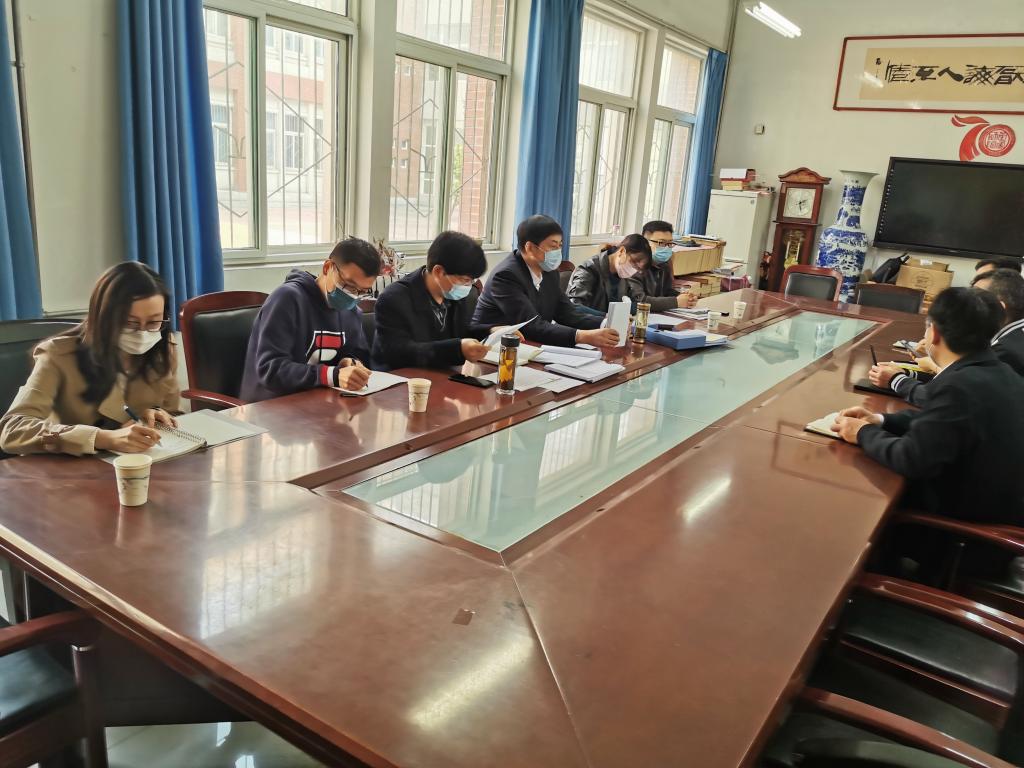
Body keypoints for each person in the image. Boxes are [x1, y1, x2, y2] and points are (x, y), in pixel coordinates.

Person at [832, 287, 1024, 524]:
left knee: (856, 491)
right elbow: (945, 423)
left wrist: (863, 432)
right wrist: (881, 420)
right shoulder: (1001, 372)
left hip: (962, 523)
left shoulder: (958, 385)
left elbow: (910, 459)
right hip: (997, 504)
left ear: (934, 333)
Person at [0, 262, 178, 456]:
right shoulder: (58, 356)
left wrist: (154, 415)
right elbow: (12, 430)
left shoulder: (161, 350)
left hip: (137, 462)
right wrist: (102, 438)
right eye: (130, 322)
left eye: (153, 322)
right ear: (103, 317)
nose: (142, 333)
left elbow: (173, 413)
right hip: (67, 467)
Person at [240, 237, 380, 401]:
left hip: (319, 403)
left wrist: (349, 363)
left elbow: (357, 355)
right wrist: (332, 375)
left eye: (362, 291)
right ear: (327, 267)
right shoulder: (287, 299)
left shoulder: (351, 311)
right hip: (269, 406)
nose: (353, 296)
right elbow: (270, 369)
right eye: (348, 285)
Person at [870, 268, 1024, 403]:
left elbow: (946, 398)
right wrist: (907, 373)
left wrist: (896, 380)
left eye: (977, 297)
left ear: (999, 308)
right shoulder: (1012, 336)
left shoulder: (1006, 350)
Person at [470, 215, 618, 347]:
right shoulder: (505, 276)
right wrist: (582, 336)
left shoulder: (549, 272)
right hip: (492, 348)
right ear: (530, 248)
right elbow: (531, 325)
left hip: (529, 345)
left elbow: (567, 313)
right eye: (553, 246)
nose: (558, 251)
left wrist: (605, 324)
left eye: (560, 245)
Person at [371, 231, 491, 371]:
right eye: (465, 279)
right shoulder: (394, 298)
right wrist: (457, 349)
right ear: (438, 272)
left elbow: (464, 331)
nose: (468, 286)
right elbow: (399, 353)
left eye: (472, 280)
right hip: (400, 378)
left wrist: (491, 331)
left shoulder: (462, 296)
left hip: (444, 375)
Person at [566, 234, 652, 313]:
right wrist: (606, 317)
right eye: (634, 262)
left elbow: (634, 304)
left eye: (638, 268)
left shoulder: (623, 275)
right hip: (587, 324)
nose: (633, 269)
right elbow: (575, 306)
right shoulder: (588, 269)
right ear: (622, 251)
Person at [629, 220, 698, 311]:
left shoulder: (664, 265)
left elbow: (666, 292)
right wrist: (676, 302)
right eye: (661, 243)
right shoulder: (632, 266)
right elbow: (639, 301)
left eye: (669, 243)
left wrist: (684, 297)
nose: (666, 248)